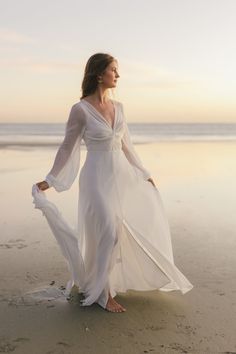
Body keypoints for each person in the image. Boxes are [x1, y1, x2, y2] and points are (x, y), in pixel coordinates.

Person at [34, 52, 193, 313]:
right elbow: (67, 148)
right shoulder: (80, 110)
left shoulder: (119, 108)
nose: (117, 75)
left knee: (116, 232)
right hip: (95, 178)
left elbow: (127, 145)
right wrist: (50, 180)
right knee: (107, 230)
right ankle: (103, 294)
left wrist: (143, 172)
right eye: (113, 70)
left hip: (120, 177)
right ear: (99, 74)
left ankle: (103, 284)